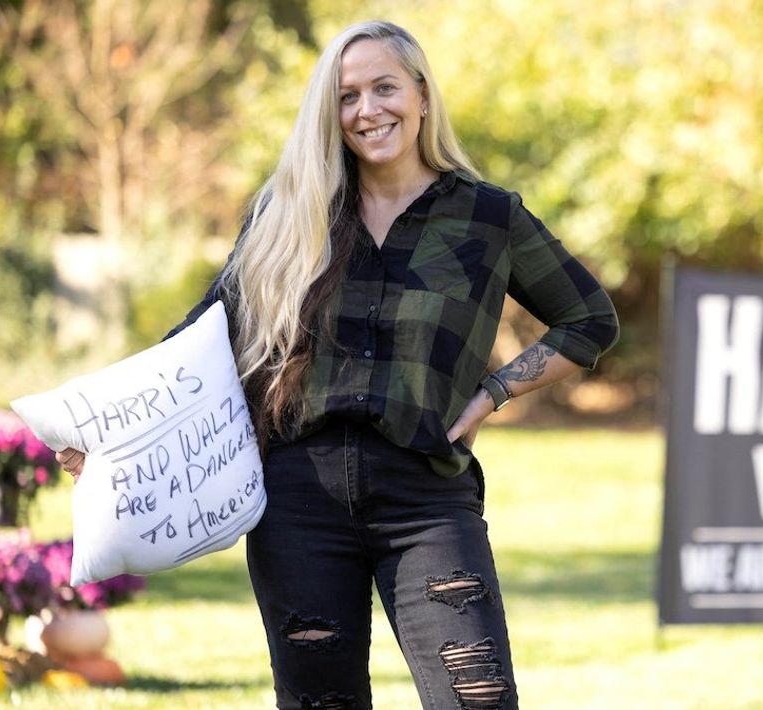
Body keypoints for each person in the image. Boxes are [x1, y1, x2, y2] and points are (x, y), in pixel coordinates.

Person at [56, 19, 618, 709]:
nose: (366, 110)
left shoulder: (487, 217)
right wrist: (111, 442)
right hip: (298, 502)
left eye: (384, 88)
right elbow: (201, 340)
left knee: (479, 699)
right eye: (347, 96)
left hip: (426, 499)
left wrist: (494, 391)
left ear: (419, 94)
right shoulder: (290, 213)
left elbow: (589, 318)